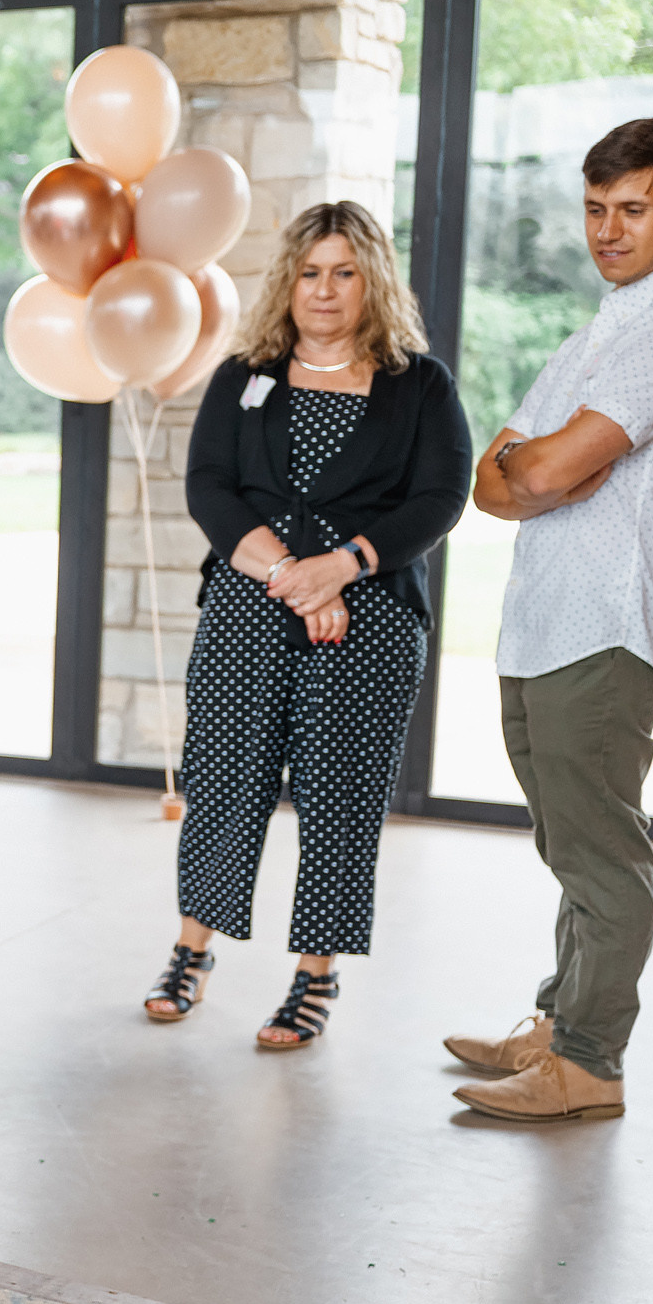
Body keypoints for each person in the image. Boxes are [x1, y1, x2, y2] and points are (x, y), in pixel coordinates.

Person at [145, 202, 471, 1048]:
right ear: (288, 281)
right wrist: (298, 577)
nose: (324, 290)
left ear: (373, 280)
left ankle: (314, 973)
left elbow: (440, 498)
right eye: (309, 271)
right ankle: (192, 949)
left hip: (369, 625)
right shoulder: (245, 373)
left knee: (339, 799)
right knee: (223, 779)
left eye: (344, 272)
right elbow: (210, 487)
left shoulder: (419, 384)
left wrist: (348, 564)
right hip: (248, 609)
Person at [447, 121, 653, 1122]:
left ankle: (588, 1063)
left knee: (602, 852)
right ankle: (555, 1021)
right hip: (539, 625)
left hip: (604, 629)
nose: (607, 230)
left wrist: (531, 465)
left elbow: (536, 466)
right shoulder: (595, 332)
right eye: (594, 209)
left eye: (633, 210)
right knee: (566, 842)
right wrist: (527, 466)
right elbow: (493, 479)